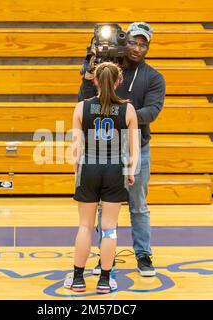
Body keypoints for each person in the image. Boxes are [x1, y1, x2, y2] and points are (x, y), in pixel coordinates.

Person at [78, 22, 166, 276]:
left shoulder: (154, 77)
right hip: (106, 150)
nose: (137, 48)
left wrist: (121, 115)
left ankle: (143, 254)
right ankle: (106, 256)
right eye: (133, 42)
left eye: (143, 44)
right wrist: (88, 72)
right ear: (123, 41)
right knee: (105, 207)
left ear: (148, 47)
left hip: (139, 148)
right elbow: (84, 101)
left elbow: (152, 111)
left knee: (138, 205)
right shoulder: (106, 69)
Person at [65, 62, 140, 294]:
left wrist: (79, 173)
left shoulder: (81, 108)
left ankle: (78, 279)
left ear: (95, 81)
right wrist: (130, 172)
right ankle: (105, 281)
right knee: (109, 228)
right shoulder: (127, 110)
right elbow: (134, 149)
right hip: (115, 169)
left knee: (85, 226)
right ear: (119, 82)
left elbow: (75, 151)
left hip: (90, 167)